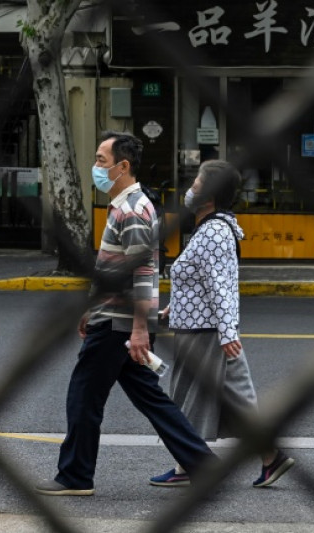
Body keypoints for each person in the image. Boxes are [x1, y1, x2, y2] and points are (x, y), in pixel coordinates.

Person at [35, 131, 217, 496]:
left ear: (123, 166)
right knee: (151, 398)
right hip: (116, 320)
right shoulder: (126, 204)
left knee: (83, 398)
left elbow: (144, 272)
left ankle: (75, 475)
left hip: (119, 327)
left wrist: (137, 330)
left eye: (101, 161)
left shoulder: (132, 210)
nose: (96, 168)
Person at [152, 160, 295, 489]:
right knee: (238, 401)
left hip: (206, 333)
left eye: (198, 183)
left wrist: (227, 332)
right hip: (202, 327)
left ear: (211, 195)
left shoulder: (214, 232)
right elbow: (202, 283)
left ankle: (187, 464)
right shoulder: (209, 228)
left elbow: (222, 287)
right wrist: (175, 308)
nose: (191, 188)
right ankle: (270, 456)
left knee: (185, 397)